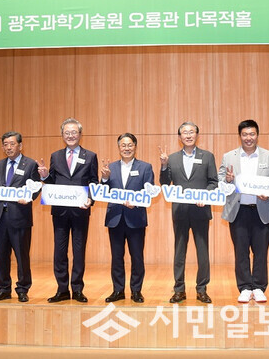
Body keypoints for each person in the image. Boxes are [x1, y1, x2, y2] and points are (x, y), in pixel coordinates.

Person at [38, 118, 98, 303]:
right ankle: (62, 289)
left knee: (79, 252)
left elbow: (94, 181)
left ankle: (77, 289)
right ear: (62, 135)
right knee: (59, 251)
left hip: (81, 210)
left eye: (74, 132)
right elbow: (52, 182)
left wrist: (91, 199)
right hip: (60, 212)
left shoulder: (91, 156)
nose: (70, 136)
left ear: (80, 134)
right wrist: (45, 176)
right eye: (67, 133)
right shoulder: (55, 156)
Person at [218, 120, 269, 304]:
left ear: (257, 135)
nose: (248, 138)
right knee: (241, 251)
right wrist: (228, 180)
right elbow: (220, 183)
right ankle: (244, 287)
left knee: (261, 252)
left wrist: (268, 194)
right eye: (245, 134)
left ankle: (259, 287)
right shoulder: (229, 157)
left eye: (252, 134)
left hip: (262, 211)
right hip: (238, 211)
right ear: (240, 136)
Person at [159, 122, 218, 304]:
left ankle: (202, 289)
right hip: (180, 212)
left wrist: (205, 195)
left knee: (203, 252)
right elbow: (164, 183)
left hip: (201, 210)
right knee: (179, 252)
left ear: (197, 135)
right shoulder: (172, 158)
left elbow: (213, 182)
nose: (188, 135)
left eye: (191, 132)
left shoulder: (207, 156)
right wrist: (163, 166)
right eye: (185, 132)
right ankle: (179, 289)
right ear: (180, 137)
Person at [0, 132, 40, 303]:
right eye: (5, 144)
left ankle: (23, 288)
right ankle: (3, 289)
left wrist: (29, 197)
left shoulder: (30, 164)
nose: (8, 147)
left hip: (20, 216)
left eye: (12, 144)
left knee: (22, 256)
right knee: (1, 255)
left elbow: (36, 187)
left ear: (20, 146)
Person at [101, 133, 154, 303]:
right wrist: (104, 179)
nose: (126, 148)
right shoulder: (110, 168)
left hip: (136, 218)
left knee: (137, 257)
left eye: (130, 145)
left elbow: (149, 192)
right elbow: (102, 191)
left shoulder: (145, 167)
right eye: (123, 145)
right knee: (117, 257)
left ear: (135, 147)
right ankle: (118, 290)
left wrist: (137, 203)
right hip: (115, 218)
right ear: (119, 148)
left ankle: (136, 291)